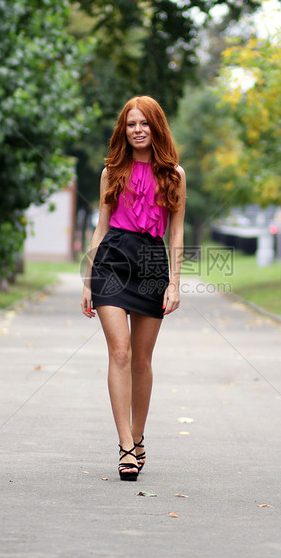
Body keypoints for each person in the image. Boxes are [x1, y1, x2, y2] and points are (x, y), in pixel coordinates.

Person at [81, 95, 186, 481]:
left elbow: (176, 232)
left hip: (152, 262)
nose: (137, 130)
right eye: (130, 124)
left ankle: (139, 436)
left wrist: (174, 283)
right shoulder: (111, 171)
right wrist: (89, 279)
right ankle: (125, 445)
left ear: (156, 126)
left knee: (142, 360)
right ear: (123, 130)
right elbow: (101, 226)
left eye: (144, 123)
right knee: (120, 353)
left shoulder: (174, 173)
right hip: (112, 259)